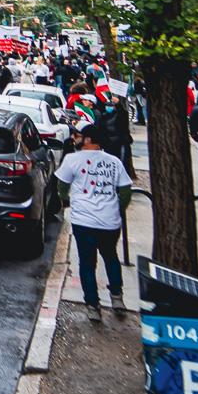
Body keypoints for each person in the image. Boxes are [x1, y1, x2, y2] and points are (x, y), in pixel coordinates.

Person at [56, 124, 135, 321]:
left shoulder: (72, 159)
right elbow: (125, 192)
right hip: (110, 221)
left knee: (87, 263)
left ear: (89, 139)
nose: (75, 138)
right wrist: (117, 209)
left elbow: (61, 186)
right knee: (111, 256)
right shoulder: (114, 162)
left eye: (79, 136)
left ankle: (93, 306)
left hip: (84, 220)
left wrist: (66, 199)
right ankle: (117, 297)